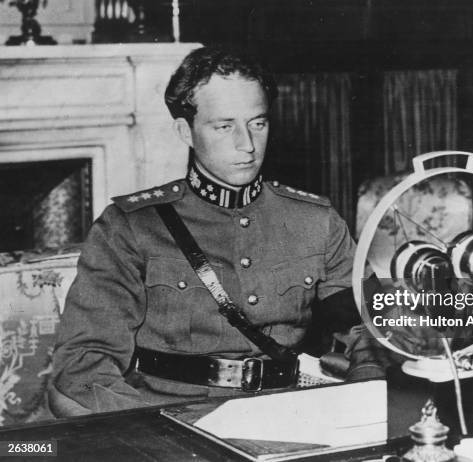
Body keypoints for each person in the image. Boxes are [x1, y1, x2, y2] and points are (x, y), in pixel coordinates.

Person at [49, 45, 384, 416]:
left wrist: (364, 392)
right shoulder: (129, 226)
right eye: (224, 127)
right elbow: (84, 362)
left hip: (289, 412)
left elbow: (367, 324)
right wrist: (152, 431)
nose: (247, 144)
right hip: (172, 416)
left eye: (258, 123)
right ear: (186, 131)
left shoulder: (315, 220)